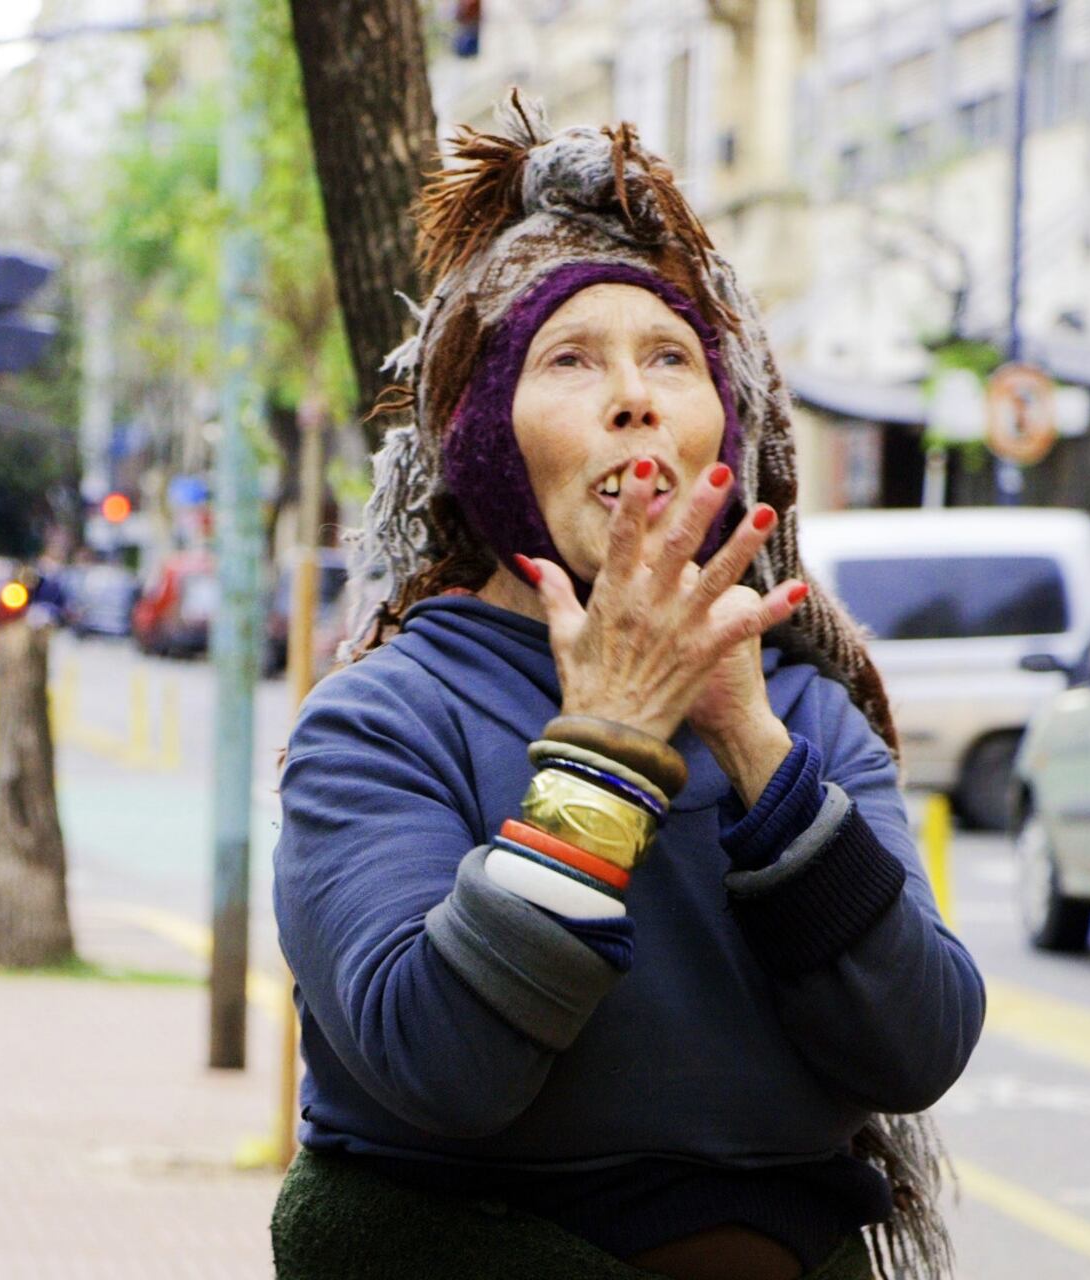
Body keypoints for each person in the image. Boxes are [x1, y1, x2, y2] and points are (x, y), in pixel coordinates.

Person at [271, 95, 983, 1280]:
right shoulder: (386, 715)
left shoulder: (808, 709)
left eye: (670, 358)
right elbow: (440, 1063)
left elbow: (919, 1045)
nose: (635, 398)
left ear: (728, 430)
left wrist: (750, 738)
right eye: (570, 360)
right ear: (483, 437)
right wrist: (606, 743)